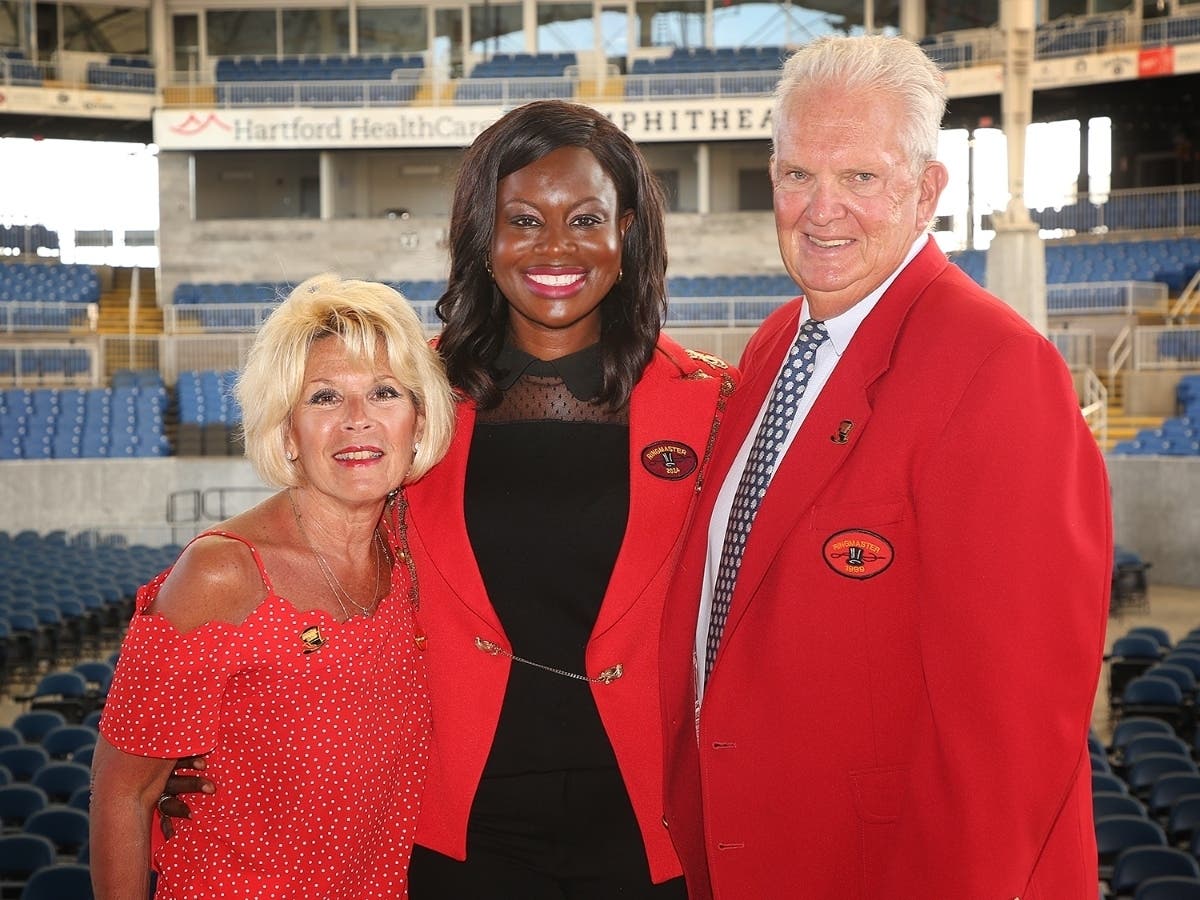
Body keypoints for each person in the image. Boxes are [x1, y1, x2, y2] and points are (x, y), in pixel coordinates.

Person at [658, 35, 1112, 900]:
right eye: (797, 175)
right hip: (751, 854)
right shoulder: (773, 344)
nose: (822, 210)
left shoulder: (997, 367)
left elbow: (1013, 728)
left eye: (861, 177)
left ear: (926, 190)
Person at [400, 99, 735, 897]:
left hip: (649, 830)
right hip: (455, 829)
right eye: (524, 219)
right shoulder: (404, 395)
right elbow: (322, 563)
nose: (556, 246)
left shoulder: (717, 404)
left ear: (627, 235)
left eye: (586, 218)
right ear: (484, 238)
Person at [90, 274, 456, 899]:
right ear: (287, 432)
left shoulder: (417, 560)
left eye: (384, 393)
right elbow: (124, 792)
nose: (357, 421)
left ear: (418, 424)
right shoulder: (222, 573)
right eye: (323, 398)